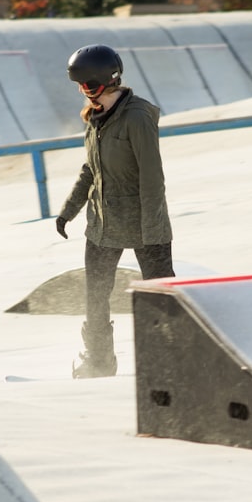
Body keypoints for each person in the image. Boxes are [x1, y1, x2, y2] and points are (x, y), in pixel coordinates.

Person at [55, 44, 175, 378]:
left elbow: (153, 179)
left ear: (105, 81)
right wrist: (69, 210)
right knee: (95, 296)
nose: (83, 93)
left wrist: (152, 234)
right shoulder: (94, 118)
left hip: (143, 223)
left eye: (87, 86)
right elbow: (90, 169)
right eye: (79, 87)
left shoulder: (137, 118)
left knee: (160, 296)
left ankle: (168, 361)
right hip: (103, 224)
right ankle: (99, 362)